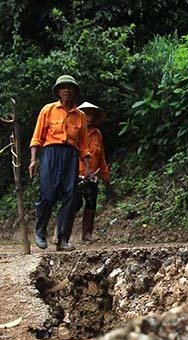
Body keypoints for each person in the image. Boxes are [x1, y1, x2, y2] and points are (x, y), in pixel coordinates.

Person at [27, 74, 90, 251]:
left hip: (71, 155)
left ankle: (63, 239)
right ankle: (40, 231)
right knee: (48, 194)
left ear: (75, 92)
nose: (67, 90)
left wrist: (88, 168)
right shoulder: (48, 110)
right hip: (50, 153)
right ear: (58, 91)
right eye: (63, 87)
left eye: (70, 87)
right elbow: (37, 137)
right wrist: (33, 160)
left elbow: (84, 145)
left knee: (71, 197)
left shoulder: (81, 116)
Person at [76, 101, 110, 243]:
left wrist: (105, 174)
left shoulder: (97, 134)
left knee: (91, 204)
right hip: (76, 174)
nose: (89, 117)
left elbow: (101, 156)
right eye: (86, 114)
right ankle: (61, 233)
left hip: (92, 175)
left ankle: (87, 235)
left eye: (92, 114)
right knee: (73, 203)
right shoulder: (75, 132)